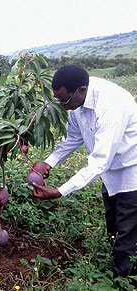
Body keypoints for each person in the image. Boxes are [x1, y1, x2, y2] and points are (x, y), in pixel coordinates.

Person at [32, 64, 137, 278]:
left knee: (128, 235)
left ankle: (121, 281)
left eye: (64, 100)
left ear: (81, 91)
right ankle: (118, 268)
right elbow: (73, 138)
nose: (61, 106)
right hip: (110, 176)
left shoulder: (111, 106)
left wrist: (60, 191)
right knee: (114, 227)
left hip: (131, 174)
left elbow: (99, 162)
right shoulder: (77, 104)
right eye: (58, 100)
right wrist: (49, 162)